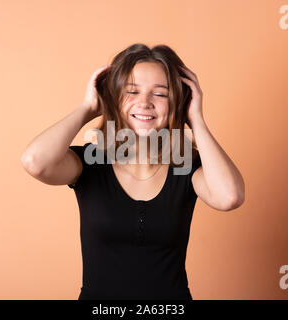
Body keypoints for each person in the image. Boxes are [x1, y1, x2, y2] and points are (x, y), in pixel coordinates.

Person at [21, 43, 245, 300]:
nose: (145, 103)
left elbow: (230, 197)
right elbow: (34, 161)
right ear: (113, 98)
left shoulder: (187, 167)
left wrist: (195, 120)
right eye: (131, 91)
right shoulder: (89, 163)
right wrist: (89, 108)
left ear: (179, 102)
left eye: (160, 94)